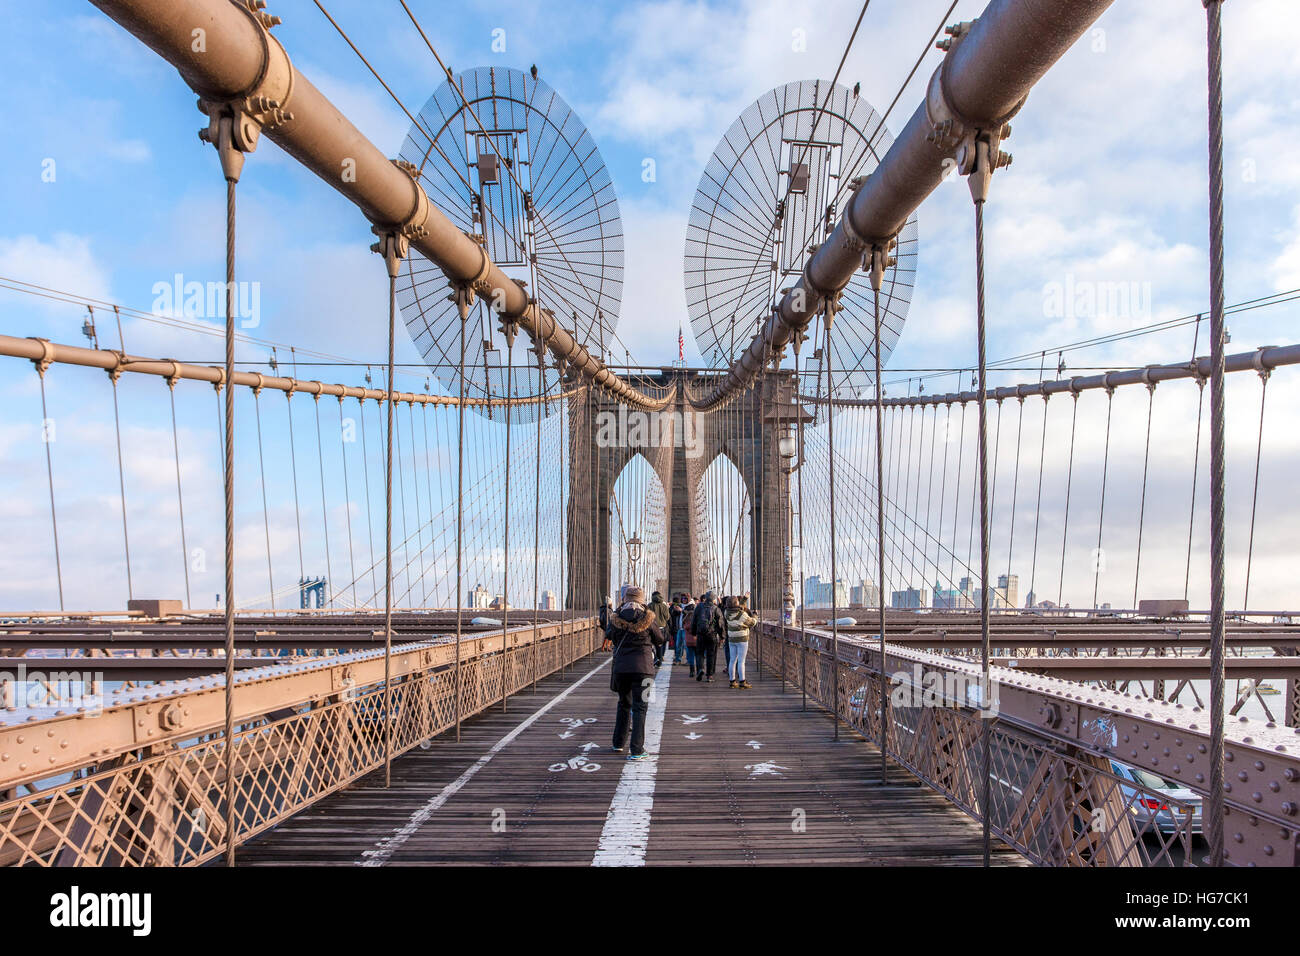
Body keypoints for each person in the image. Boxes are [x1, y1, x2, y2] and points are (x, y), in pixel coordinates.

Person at [601, 586, 665, 761]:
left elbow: (608, 634)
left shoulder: (616, 618)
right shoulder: (648, 618)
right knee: (641, 708)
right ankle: (637, 750)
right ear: (642, 600)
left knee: (623, 704)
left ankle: (618, 743)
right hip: (645, 670)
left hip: (621, 669)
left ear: (625, 599)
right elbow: (660, 639)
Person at [723, 595, 759, 689]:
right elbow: (752, 622)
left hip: (731, 638)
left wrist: (744, 599)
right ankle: (742, 681)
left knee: (732, 660)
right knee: (741, 661)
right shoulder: (742, 614)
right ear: (736, 603)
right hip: (742, 639)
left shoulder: (726, 612)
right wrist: (755, 615)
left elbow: (739, 608)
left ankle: (732, 681)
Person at [691, 591, 725, 683]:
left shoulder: (699, 607)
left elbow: (694, 621)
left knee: (699, 653)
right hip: (712, 635)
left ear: (705, 598)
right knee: (711, 655)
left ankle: (700, 669)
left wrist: (693, 633)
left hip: (700, 634)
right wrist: (722, 636)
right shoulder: (716, 608)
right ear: (713, 599)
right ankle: (709, 675)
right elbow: (720, 624)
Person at [648, 591, 671, 666]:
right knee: (660, 644)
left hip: (652, 627)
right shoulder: (664, 606)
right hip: (662, 627)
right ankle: (660, 660)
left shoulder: (650, 605)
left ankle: (655, 658)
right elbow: (667, 617)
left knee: (650, 644)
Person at [667, 594, 687, 665]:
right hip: (677, 628)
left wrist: (681, 610)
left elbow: (688, 614)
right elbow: (672, 616)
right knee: (678, 644)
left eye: (685, 599)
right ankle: (678, 658)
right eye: (682, 599)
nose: (683, 600)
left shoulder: (688, 607)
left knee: (683, 645)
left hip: (683, 629)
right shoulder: (675, 607)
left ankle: (682, 659)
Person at [682, 594, 698, 677]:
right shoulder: (697, 621)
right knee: (698, 655)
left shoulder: (686, 621)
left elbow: (685, 627)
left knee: (691, 656)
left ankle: (692, 671)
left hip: (689, 641)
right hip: (697, 640)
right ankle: (699, 670)